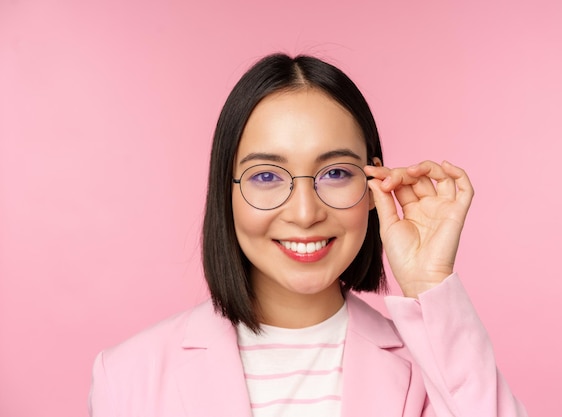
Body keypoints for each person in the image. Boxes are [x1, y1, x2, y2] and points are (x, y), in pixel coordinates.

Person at [89, 53, 527, 417]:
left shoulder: (434, 368)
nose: (304, 214)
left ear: (375, 185)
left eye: (335, 172)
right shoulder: (128, 375)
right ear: (227, 190)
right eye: (266, 176)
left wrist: (429, 282)